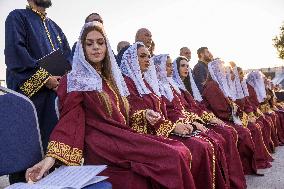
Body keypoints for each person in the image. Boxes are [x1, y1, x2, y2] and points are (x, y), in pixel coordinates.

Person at [25, 21, 196, 189]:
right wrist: (50, 158)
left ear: (107, 47)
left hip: (122, 138)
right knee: (172, 156)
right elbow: (71, 118)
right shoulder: (77, 79)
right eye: (89, 43)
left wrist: (143, 115)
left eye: (100, 42)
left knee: (178, 150)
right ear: (82, 48)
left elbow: (122, 117)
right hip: (102, 145)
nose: (96, 47)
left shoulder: (111, 80)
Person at [121, 44, 229, 189]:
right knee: (200, 147)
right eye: (142, 56)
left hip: (165, 127)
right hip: (148, 134)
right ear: (131, 60)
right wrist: (173, 126)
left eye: (148, 56)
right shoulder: (127, 83)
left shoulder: (146, 83)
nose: (147, 59)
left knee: (212, 140)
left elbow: (173, 110)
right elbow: (135, 115)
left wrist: (189, 122)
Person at [5, 0, 71, 183]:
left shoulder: (55, 28)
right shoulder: (17, 17)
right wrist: (45, 79)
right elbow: (15, 55)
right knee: (28, 157)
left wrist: (64, 79)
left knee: (55, 156)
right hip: (29, 104)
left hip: (56, 102)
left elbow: (68, 58)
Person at [173, 56, 247, 189]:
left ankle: (232, 178)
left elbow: (197, 107)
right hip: (188, 123)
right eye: (182, 65)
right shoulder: (210, 86)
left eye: (186, 65)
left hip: (201, 118)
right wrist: (204, 119)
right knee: (222, 136)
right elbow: (180, 111)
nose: (186, 68)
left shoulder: (185, 87)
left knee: (229, 133)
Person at [202, 59, 259, 176]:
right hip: (220, 118)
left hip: (227, 116)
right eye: (222, 69)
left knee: (249, 128)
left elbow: (232, 103)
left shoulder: (220, 85)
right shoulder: (212, 86)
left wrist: (239, 113)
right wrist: (236, 116)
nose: (225, 71)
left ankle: (245, 166)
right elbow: (220, 110)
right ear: (216, 71)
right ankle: (241, 169)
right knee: (242, 132)